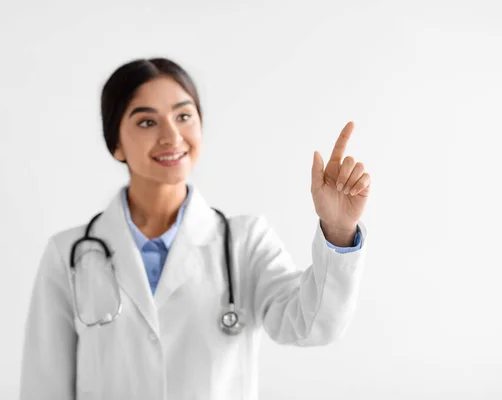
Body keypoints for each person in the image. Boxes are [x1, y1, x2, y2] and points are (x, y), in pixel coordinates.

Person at [19, 57, 371, 400]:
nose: (172, 136)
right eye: (146, 122)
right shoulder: (67, 253)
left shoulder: (245, 242)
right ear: (115, 144)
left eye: (184, 116)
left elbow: (312, 324)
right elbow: (44, 385)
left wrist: (338, 230)